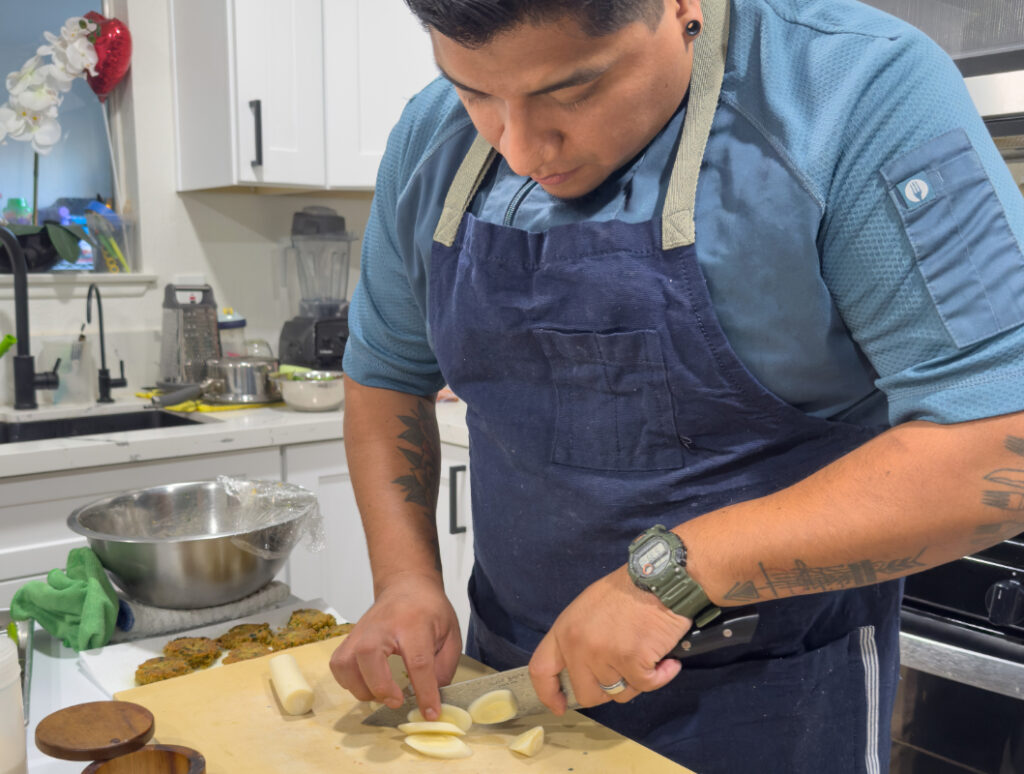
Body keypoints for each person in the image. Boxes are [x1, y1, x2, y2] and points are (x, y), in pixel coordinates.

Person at [329, 0, 1024, 770]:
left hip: (774, 698)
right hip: (512, 676)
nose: (521, 148)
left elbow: (1000, 446)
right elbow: (385, 377)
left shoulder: (853, 94)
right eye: (476, 92)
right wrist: (404, 581)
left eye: (574, 91)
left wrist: (673, 578)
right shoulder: (432, 139)